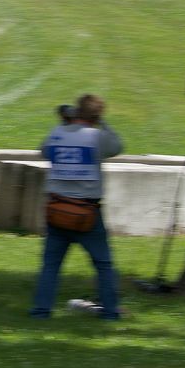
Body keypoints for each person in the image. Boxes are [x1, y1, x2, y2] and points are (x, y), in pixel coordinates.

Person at [29, 94, 125, 320]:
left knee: (50, 265)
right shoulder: (98, 137)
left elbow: (44, 151)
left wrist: (65, 123)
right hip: (87, 213)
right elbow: (118, 146)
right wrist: (102, 123)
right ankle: (110, 312)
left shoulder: (57, 134)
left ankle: (41, 311)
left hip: (57, 209)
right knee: (103, 264)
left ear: (76, 111)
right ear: (97, 115)